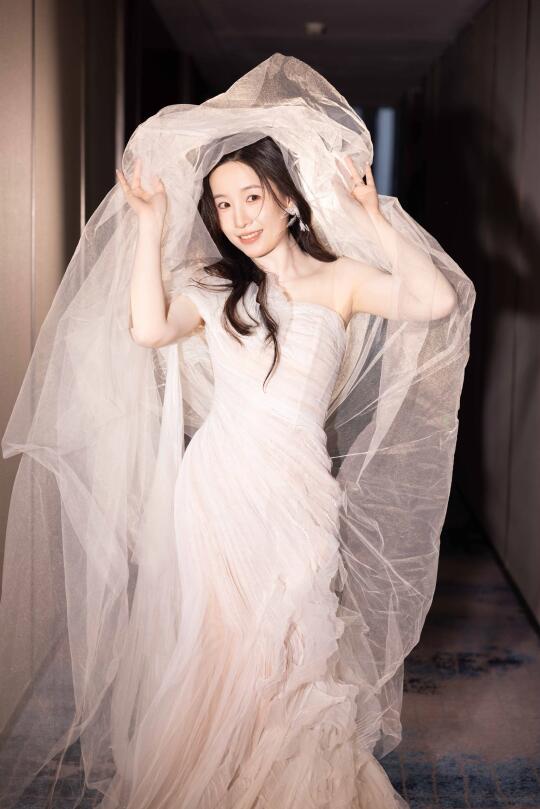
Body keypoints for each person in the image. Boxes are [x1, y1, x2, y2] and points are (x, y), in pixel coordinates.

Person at [0, 54, 475, 809]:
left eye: (253, 196)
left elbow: (434, 302)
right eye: (223, 205)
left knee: (293, 639)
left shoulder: (341, 280)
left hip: (298, 490)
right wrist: (152, 225)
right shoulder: (213, 285)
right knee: (220, 644)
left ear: (288, 200)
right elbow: (148, 327)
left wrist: (376, 220)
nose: (240, 217)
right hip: (218, 486)